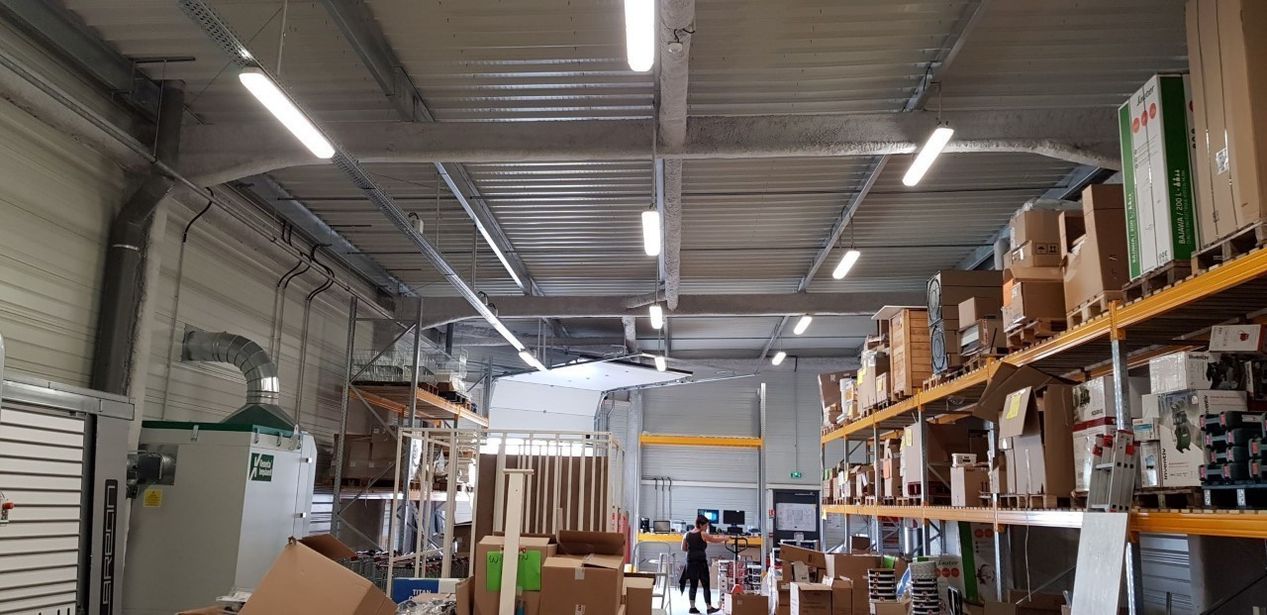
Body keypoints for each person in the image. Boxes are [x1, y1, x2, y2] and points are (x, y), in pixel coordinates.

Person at [679, 514, 726, 614]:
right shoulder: (703, 534)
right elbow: (714, 540)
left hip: (690, 562)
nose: (707, 527)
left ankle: (692, 608)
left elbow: (683, 548)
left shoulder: (686, 534)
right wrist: (725, 538)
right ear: (700, 525)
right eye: (706, 525)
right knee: (705, 585)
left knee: (693, 585)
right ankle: (709, 608)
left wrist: (692, 550)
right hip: (700, 563)